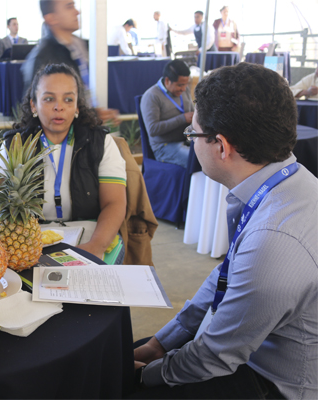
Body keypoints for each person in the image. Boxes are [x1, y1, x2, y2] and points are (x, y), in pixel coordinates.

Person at [132, 62, 317, 399]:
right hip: (252, 351)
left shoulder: (273, 242)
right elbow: (229, 271)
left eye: (193, 134)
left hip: (274, 382)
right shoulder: (290, 178)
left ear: (221, 145)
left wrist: (146, 378)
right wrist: (163, 342)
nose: (192, 142)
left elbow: (216, 354)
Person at [4, 63, 127, 261]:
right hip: (27, 240)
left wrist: (95, 246)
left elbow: (115, 202)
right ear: (33, 105)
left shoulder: (101, 143)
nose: (58, 107)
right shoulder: (13, 145)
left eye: (68, 99)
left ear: (77, 106)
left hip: (91, 234)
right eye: (49, 98)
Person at [23, 0, 120, 126]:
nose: (77, 12)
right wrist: (92, 116)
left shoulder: (78, 46)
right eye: (69, 7)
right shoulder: (43, 58)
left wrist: (94, 115)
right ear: (51, 18)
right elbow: (40, 111)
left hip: (84, 129)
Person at [140, 60, 193, 169]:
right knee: (195, 160)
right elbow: (153, 129)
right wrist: (182, 119)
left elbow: (192, 112)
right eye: (180, 85)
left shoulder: (184, 91)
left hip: (186, 139)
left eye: (186, 84)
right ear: (167, 80)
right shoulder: (152, 96)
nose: (183, 89)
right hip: (164, 146)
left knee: (210, 157)